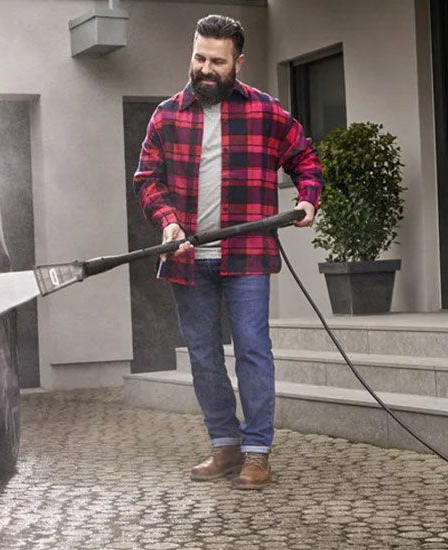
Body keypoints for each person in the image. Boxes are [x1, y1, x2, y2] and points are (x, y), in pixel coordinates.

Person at [132, 14, 323, 490]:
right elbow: (147, 180)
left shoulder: (266, 111)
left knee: (253, 352)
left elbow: (304, 157)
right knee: (202, 356)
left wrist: (307, 199)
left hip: (248, 256)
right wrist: (169, 222)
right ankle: (225, 445)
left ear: (238, 62)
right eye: (199, 57)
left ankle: (257, 451)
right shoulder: (167, 114)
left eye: (217, 61)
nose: (205, 69)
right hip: (187, 258)